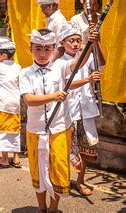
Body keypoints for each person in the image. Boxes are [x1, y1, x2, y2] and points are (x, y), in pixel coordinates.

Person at [19, 27, 99, 212]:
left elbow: (78, 64)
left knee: (59, 169)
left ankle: (54, 208)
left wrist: (89, 43)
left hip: (60, 128)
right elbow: (29, 100)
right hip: (36, 130)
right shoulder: (25, 73)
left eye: (47, 49)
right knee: (38, 170)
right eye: (38, 48)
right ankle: (41, 207)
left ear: (54, 48)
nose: (42, 53)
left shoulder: (60, 67)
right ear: (30, 49)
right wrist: (54, 96)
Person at [58, 23, 105, 196]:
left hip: (85, 110)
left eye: (78, 40)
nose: (76, 44)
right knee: (66, 150)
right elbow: (66, 84)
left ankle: (80, 181)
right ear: (62, 42)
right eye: (72, 40)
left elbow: (101, 64)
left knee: (85, 150)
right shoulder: (58, 63)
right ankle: (62, 179)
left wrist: (96, 43)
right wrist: (87, 80)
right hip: (68, 113)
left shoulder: (87, 55)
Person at [0, 37, 22, 168]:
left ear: (3, 55)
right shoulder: (18, 67)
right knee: (15, 129)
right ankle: (16, 157)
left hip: (2, 103)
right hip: (15, 102)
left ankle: (4, 158)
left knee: (2, 130)